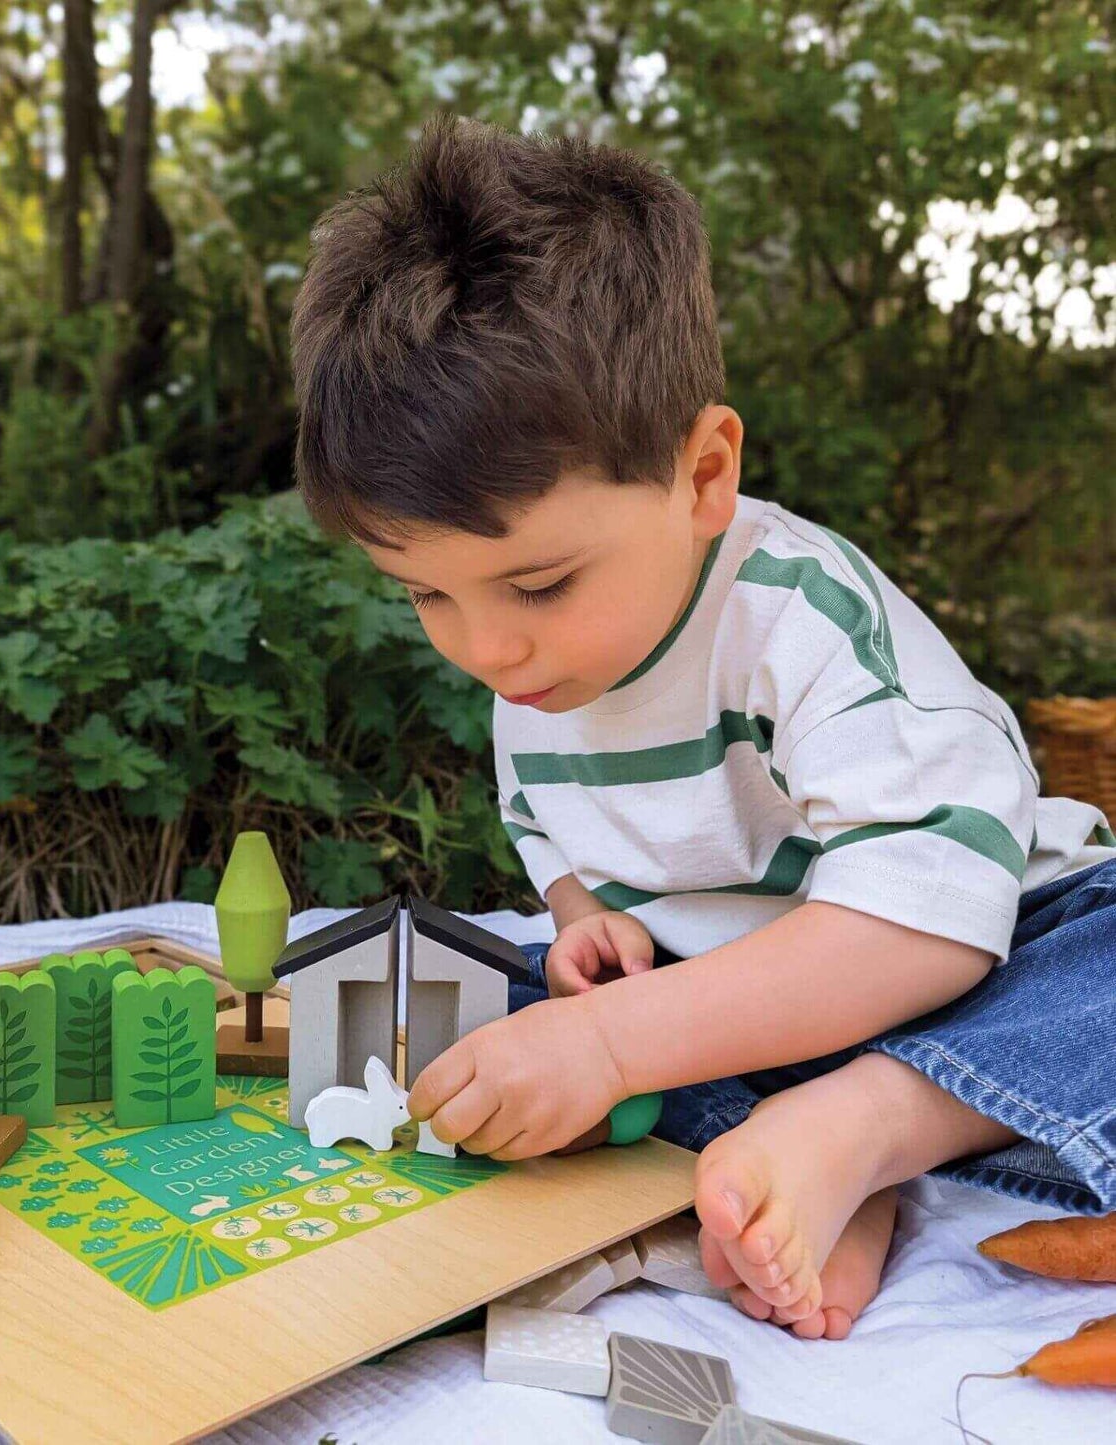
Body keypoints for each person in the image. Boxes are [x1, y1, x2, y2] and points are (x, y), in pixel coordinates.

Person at [286, 114, 1116, 1341]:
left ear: (702, 474)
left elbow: (926, 923)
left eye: (536, 584)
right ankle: (808, 1168)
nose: (484, 648)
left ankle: (875, 1122)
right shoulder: (532, 663)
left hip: (953, 957)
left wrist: (617, 1043)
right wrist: (583, 927)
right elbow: (549, 823)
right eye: (424, 594)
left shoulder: (798, 618)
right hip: (718, 1004)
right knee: (472, 1012)